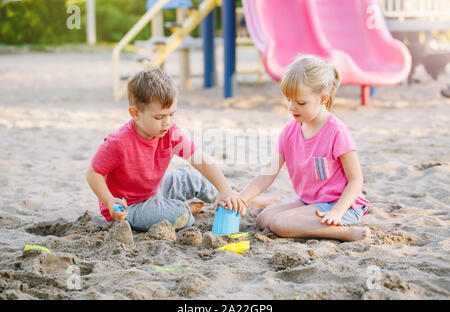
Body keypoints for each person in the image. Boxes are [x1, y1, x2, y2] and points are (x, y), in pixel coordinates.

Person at [86, 65, 273, 232]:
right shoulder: (119, 142)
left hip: (154, 191)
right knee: (182, 216)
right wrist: (109, 200)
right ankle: (183, 208)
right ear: (135, 113)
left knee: (191, 177)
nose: (167, 123)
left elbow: (199, 159)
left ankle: (236, 199)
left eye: (172, 114)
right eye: (159, 117)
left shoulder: (170, 132)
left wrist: (224, 189)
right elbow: (93, 173)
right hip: (130, 207)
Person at [239, 55, 371, 242]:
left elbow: (356, 181)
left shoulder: (336, 131)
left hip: (342, 206)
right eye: (289, 100)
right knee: (264, 218)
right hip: (311, 202)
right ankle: (313, 224)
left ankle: (343, 233)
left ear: (323, 99)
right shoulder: (290, 131)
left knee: (279, 224)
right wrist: (242, 198)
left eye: (300, 103)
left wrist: (337, 212)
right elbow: (268, 173)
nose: (292, 107)